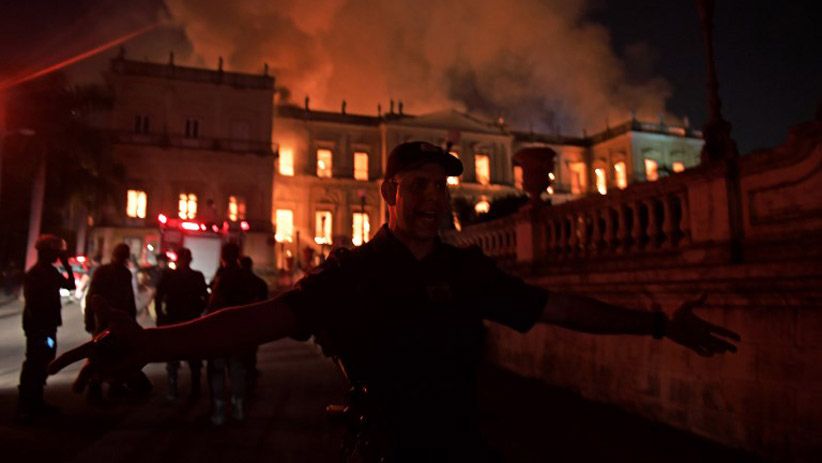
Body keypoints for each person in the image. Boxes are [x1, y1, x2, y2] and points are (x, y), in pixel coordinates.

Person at [51, 141, 741, 461]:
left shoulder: (466, 270)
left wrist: (656, 324)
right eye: (417, 185)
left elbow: (555, 307)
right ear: (389, 195)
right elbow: (258, 320)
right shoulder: (356, 275)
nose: (433, 200)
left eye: (441, 188)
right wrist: (150, 341)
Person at [14, 235, 75, 423]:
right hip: (39, 326)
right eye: (55, 253)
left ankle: (37, 401)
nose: (57, 256)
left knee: (44, 360)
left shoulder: (51, 271)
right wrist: (39, 326)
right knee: (34, 361)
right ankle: (26, 405)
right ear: (45, 252)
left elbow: (71, 285)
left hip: (48, 325)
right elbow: (33, 303)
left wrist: (66, 264)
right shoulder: (36, 273)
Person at [82, 243, 151, 403]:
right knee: (104, 353)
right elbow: (93, 296)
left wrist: (89, 318)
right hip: (108, 320)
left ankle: (109, 388)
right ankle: (99, 389)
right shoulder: (114, 273)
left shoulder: (114, 272)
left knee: (110, 354)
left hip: (111, 320)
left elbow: (127, 299)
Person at [206, 243, 257, 425]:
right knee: (237, 370)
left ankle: (219, 412)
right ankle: (238, 408)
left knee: (218, 371)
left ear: (223, 256)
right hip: (240, 330)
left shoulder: (223, 276)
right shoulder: (245, 277)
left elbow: (213, 304)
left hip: (221, 330)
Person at [155, 248, 208, 400]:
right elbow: (205, 297)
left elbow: (159, 298)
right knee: (193, 358)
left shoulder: (169, 276)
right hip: (191, 320)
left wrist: (161, 317)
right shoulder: (196, 276)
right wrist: (200, 311)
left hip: (175, 320)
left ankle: (173, 390)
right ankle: (194, 389)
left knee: (174, 356)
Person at [239, 255, 268, 393]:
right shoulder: (259, 283)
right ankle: (250, 377)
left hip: (238, 323)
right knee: (250, 352)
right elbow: (264, 304)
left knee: (240, 353)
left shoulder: (235, 283)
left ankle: (244, 380)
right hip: (252, 323)